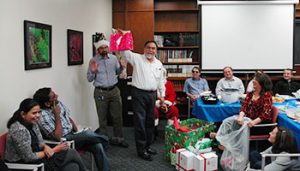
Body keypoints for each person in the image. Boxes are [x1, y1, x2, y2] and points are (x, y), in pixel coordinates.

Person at [33, 88, 109, 171]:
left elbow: (67, 117)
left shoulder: (58, 104)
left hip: (74, 135)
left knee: (97, 145)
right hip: (64, 140)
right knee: (88, 134)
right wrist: (56, 115)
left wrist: (76, 130)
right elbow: (58, 137)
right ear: (47, 104)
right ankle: (105, 140)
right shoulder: (42, 115)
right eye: (54, 96)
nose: (57, 96)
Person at [5, 98, 87, 171]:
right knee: (71, 152)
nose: (37, 116)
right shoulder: (18, 130)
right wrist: (55, 150)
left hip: (37, 158)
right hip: (25, 165)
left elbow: (41, 143)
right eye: (34, 113)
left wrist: (46, 147)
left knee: (73, 167)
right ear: (23, 114)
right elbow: (28, 157)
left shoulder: (32, 123)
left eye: (39, 112)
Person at [119, 36, 165, 161]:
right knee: (140, 122)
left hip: (152, 95)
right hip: (138, 94)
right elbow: (124, 51)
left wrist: (162, 95)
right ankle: (141, 150)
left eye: (153, 48)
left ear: (156, 50)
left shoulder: (158, 63)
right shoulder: (137, 58)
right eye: (148, 48)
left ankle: (148, 146)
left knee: (150, 121)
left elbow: (161, 81)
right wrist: (123, 36)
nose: (151, 50)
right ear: (144, 49)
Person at [87, 39, 129, 148]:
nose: (104, 50)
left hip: (114, 90)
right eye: (101, 48)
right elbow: (89, 79)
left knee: (117, 116)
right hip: (100, 92)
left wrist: (122, 67)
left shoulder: (114, 58)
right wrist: (93, 72)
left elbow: (117, 72)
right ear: (98, 49)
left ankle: (119, 138)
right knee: (102, 118)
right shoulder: (93, 61)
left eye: (106, 47)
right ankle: (104, 140)